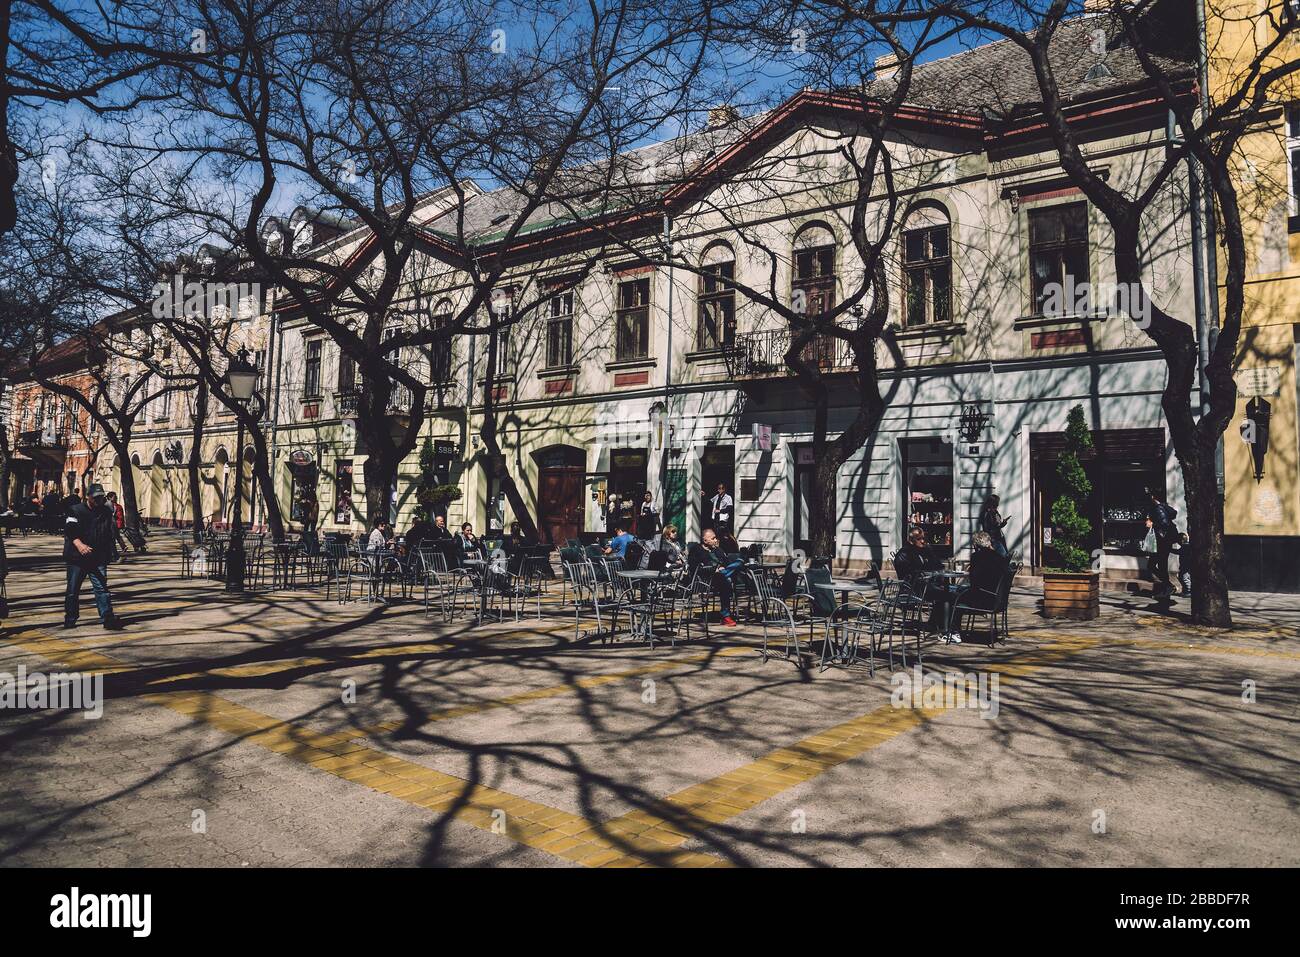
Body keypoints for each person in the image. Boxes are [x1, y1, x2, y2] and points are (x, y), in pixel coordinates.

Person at [63, 484, 123, 630]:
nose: (99, 500)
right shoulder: (75, 510)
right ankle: (71, 618)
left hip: (98, 557)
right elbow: (70, 531)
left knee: (102, 588)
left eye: (101, 497)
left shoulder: (106, 511)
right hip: (77, 558)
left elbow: (110, 531)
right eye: (96, 497)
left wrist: (115, 550)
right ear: (88, 496)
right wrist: (80, 545)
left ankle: (107, 617)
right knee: (73, 590)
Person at [687, 528, 744, 626]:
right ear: (705, 540)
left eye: (715, 538)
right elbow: (694, 569)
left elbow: (727, 562)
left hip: (720, 577)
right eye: (713, 538)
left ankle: (725, 615)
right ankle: (725, 616)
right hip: (706, 580)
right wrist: (713, 569)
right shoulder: (696, 550)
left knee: (739, 562)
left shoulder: (717, 549)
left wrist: (722, 567)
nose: (715, 540)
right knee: (727, 580)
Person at [1144, 488, 1178, 598]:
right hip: (1164, 542)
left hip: (1162, 542)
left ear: (1154, 497)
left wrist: (1152, 524)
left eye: (1151, 496)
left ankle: (1168, 587)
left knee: (1155, 565)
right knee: (1158, 565)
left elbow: (1164, 524)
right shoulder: (1163, 506)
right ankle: (1167, 588)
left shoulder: (1158, 508)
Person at [978, 493, 1009, 557]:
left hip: (1000, 538)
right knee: (1003, 556)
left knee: (1005, 556)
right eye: (996, 504)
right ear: (992, 504)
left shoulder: (995, 512)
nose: (997, 505)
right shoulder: (986, 513)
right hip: (993, 539)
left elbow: (997, 525)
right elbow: (988, 529)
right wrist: (1000, 526)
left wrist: (1002, 524)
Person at [106, 491, 129, 558]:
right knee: (115, 537)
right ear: (110, 498)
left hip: (115, 523)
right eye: (114, 497)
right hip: (113, 523)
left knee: (114, 538)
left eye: (116, 497)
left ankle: (115, 554)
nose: (116, 498)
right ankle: (120, 550)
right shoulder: (110, 504)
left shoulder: (115, 505)